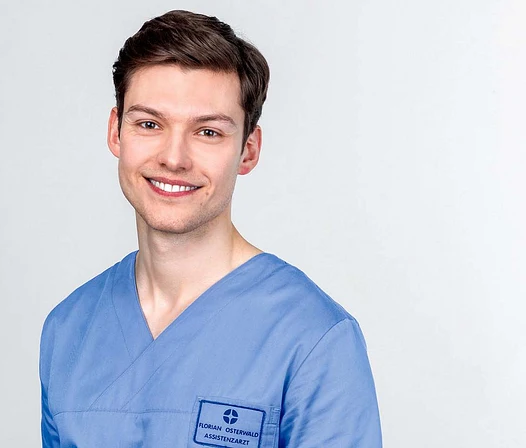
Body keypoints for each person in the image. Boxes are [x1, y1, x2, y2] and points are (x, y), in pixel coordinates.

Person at [40, 10, 382, 448]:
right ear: (116, 132)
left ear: (248, 150)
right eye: (149, 124)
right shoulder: (69, 329)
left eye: (207, 132)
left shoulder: (314, 339)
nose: (174, 158)